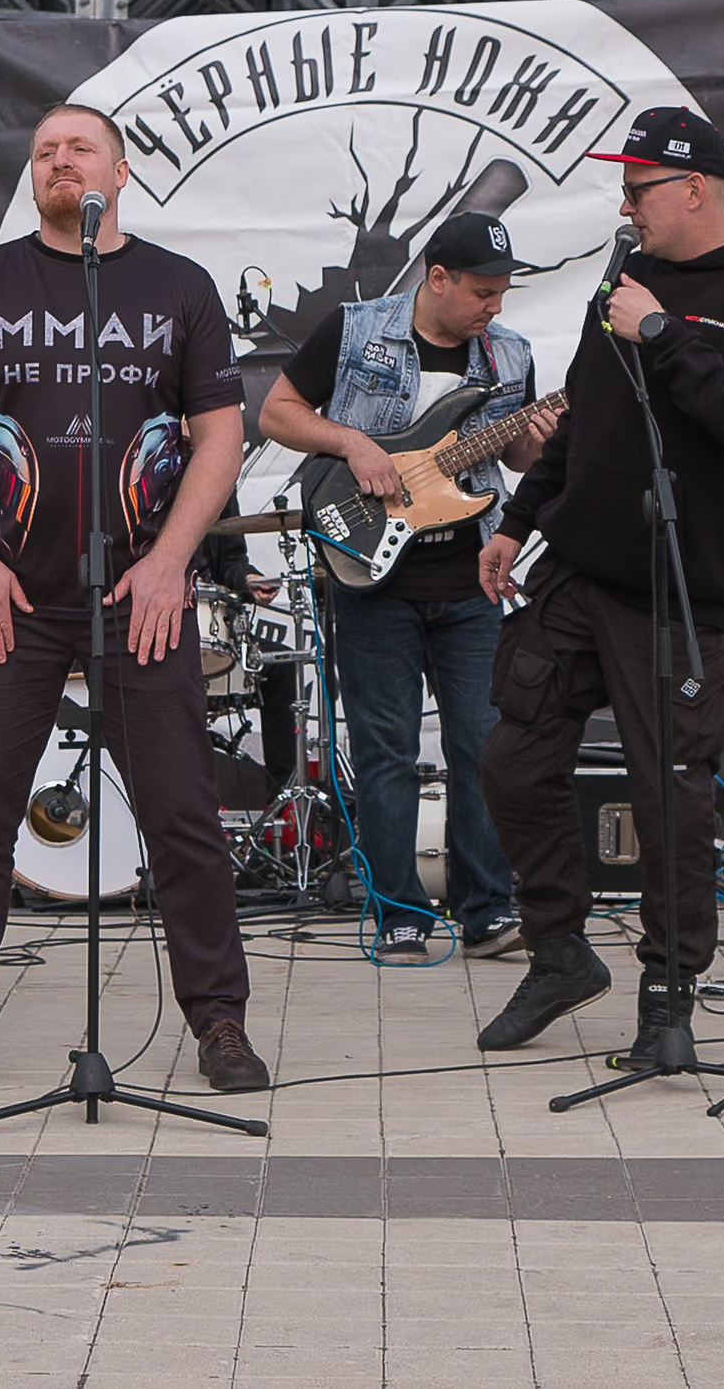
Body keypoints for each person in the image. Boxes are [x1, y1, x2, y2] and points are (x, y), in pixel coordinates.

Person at [0, 103, 269, 1094]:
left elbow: (218, 434)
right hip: (7, 594)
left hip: (137, 591)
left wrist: (169, 560)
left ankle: (218, 1022)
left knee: (182, 811)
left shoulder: (174, 287)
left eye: (79, 148)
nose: (60, 161)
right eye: (45, 151)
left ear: (122, 171)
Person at [473, 106, 724, 1061]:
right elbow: (586, 418)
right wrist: (518, 519)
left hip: (678, 590)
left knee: (670, 795)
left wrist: (665, 332)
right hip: (578, 573)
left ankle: (669, 995)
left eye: (638, 189)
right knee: (511, 757)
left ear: (697, 188)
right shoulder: (623, 281)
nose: (626, 206)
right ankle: (557, 952)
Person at [257, 212, 554, 961]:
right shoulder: (356, 332)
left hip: (469, 574)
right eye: (482, 291)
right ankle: (398, 911)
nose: (495, 306)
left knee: (481, 746)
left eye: (503, 292)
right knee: (386, 748)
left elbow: (513, 456)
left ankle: (486, 908)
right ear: (438, 278)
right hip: (371, 574)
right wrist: (354, 441)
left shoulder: (509, 355)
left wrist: (532, 439)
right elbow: (278, 412)